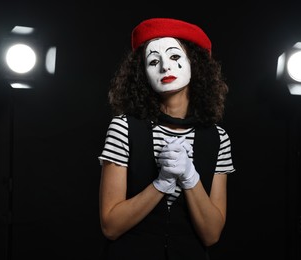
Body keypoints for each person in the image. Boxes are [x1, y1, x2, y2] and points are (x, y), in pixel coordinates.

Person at [98, 17, 236, 260]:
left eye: (174, 56)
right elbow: (110, 226)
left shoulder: (218, 138)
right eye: (153, 61)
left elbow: (211, 234)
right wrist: (161, 183)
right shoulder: (123, 128)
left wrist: (189, 177)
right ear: (142, 74)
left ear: (195, 63)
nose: (164, 67)